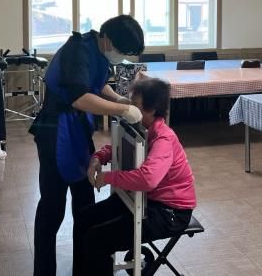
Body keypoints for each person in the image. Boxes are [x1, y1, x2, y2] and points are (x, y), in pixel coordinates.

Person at [29, 15, 145, 276]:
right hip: (55, 132)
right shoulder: (78, 50)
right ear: (108, 40)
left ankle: (85, 269)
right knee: (52, 208)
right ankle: (43, 271)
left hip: (77, 131)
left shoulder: (98, 51)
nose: (121, 57)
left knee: (84, 204)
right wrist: (121, 110)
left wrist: (119, 100)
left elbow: (96, 83)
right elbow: (80, 97)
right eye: (122, 51)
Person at [73, 77, 196, 276]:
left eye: (135, 104)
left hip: (170, 212)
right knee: (84, 218)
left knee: (97, 239)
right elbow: (118, 145)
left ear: (152, 109)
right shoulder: (141, 126)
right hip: (145, 199)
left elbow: (148, 179)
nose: (130, 108)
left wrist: (108, 177)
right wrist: (98, 157)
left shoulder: (164, 138)